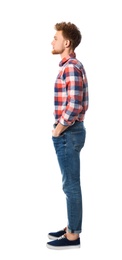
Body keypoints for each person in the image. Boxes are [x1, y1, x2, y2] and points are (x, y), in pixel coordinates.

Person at [46, 22, 89, 250]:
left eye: (55, 38)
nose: (52, 41)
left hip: (68, 133)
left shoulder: (71, 67)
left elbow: (73, 105)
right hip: (71, 132)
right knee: (70, 184)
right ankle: (72, 227)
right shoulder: (71, 65)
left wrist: (58, 129)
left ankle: (73, 236)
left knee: (70, 185)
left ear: (67, 43)